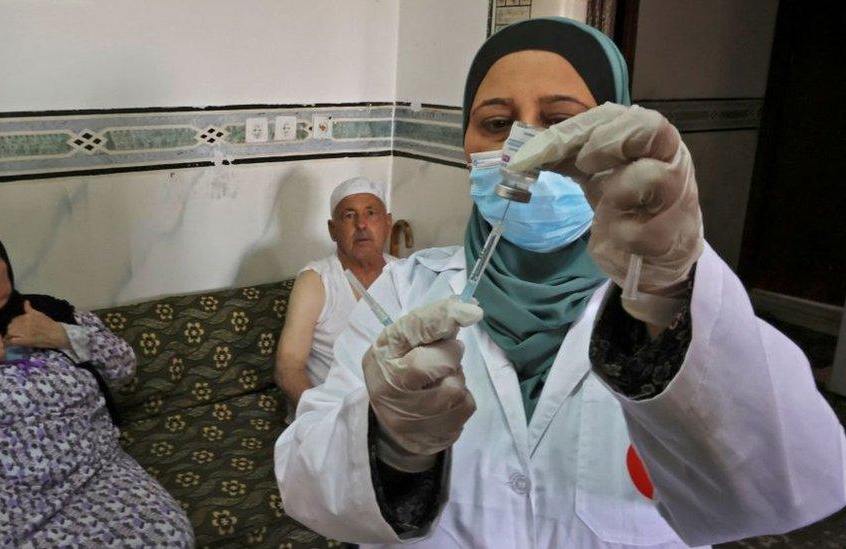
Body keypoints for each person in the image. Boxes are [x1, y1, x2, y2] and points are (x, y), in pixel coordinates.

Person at [275, 18, 846, 548]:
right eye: (497, 124)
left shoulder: (676, 298)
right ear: (466, 146)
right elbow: (304, 484)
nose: (524, 147)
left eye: (560, 120)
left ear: (613, 134)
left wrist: (669, 305)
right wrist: (390, 445)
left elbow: (782, 487)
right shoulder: (405, 293)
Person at [0, 226, 194, 547]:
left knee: (168, 535)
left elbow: (123, 366)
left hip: (96, 477)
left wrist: (61, 335)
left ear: (7, 267)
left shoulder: (54, 315)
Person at [276, 177, 395, 414]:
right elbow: (288, 367)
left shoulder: (405, 275)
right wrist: (323, 419)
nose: (361, 224)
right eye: (349, 216)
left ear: (388, 223)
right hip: (331, 414)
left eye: (371, 213)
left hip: (393, 414)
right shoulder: (316, 281)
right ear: (332, 230)